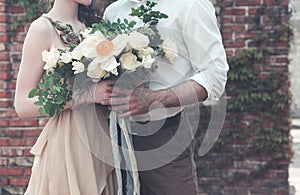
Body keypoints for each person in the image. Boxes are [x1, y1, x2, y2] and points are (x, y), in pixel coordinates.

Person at [102, 0, 229, 194]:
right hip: (114, 137)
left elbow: (214, 75)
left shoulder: (191, 5)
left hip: (165, 137)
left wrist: (154, 99)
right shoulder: (113, 11)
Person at [14, 0, 117, 194]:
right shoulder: (42, 29)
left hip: (102, 137)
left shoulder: (94, 27)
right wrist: (87, 95)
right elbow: (22, 104)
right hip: (69, 142)